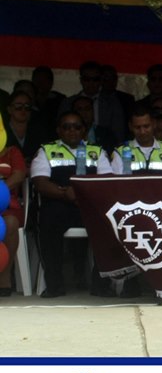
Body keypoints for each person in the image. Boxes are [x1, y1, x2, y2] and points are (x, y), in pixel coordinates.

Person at [30, 111, 112, 298]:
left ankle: (101, 285)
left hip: (90, 206)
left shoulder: (97, 151)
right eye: (66, 127)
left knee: (110, 222)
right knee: (48, 220)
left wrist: (82, 196)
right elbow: (40, 183)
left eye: (77, 127)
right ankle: (55, 285)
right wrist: (65, 193)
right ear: (59, 130)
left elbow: (106, 182)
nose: (72, 131)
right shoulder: (46, 150)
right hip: (59, 204)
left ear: (84, 130)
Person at [111, 104, 162, 175]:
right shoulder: (121, 151)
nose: (142, 131)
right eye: (137, 127)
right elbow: (116, 181)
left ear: (154, 124)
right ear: (130, 127)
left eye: (146, 126)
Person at [0, 142, 25, 296]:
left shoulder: (11, 152)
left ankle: (4, 278)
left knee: (10, 223)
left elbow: (19, 175)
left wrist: (1, 190)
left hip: (7, 206)